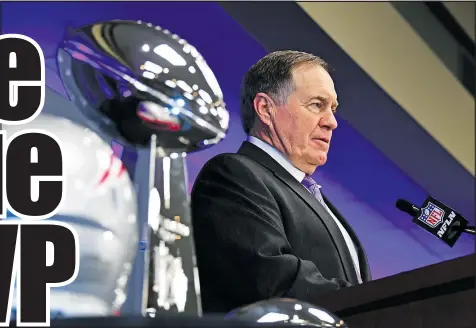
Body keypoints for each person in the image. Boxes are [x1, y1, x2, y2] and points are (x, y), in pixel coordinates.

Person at [191, 51, 371, 313]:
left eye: (332, 109)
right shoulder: (233, 175)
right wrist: (370, 304)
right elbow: (271, 277)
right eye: (316, 105)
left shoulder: (314, 197)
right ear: (266, 108)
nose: (331, 122)